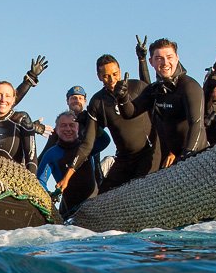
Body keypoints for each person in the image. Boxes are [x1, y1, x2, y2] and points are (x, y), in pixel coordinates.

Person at [54, 35, 155, 194]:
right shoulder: (97, 102)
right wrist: (68, 176)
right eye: (106, 76)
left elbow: (152, 94)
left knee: (141, 192)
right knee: (103, 198)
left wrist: (142, 61)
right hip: (124, 158)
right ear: (99, 76)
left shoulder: (136, 87)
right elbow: (87, 144)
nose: (112, 80)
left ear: (120, 71)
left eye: (115, 74)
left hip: (149, 152)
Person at [115, 38, 206, 167]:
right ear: (151, 62)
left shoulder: (189, 87)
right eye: (159, 58)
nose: (165, 62)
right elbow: (130, 113)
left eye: (169, 57)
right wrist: (122, 97)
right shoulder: (155, 90)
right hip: (173, 160)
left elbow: (197, 125)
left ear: (176, 58)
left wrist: (187, 157)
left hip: (195, 156)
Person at [38, 112, 98, 218]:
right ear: (56, 130)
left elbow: (105, 141)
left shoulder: (87, 147)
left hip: (94, 205)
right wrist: (48, 194)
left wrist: (90, 122)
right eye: (63, 125)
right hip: (69, 211)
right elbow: (40, 180)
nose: (68, 129)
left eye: (71, 125)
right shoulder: (51, 154)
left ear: (78, 128)